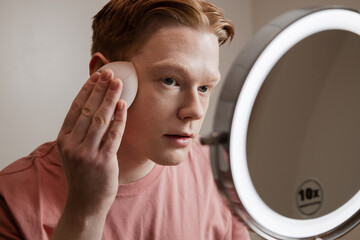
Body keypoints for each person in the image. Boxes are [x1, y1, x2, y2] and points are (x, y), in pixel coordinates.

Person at [0, 0, 250, 239]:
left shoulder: (219, 174)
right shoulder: (10, 200)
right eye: (170, 81)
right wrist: (85, 210)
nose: (194, 111)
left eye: (205, 88)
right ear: (105, 74)